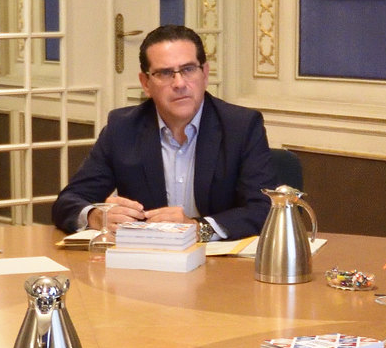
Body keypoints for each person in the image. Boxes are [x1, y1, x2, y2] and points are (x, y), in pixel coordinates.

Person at [51, 24, 275, 240]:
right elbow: (68, 201)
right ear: (145, 83)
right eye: (165, 73)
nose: (179, 83)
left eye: (188, 70)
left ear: (205, 74)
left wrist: (199, 228)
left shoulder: (241, 126)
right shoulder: (123, 128)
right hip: (148, 263)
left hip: (222, 266)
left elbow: (264, 209)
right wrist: (97, 217)